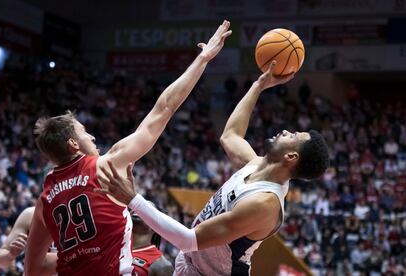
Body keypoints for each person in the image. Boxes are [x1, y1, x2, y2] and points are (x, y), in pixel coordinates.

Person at [24, 20, 232, 276]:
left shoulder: (45, 201)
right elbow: (164, 108)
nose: (92, 137)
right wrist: (203, 59)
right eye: (85, 132)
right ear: (73, 144)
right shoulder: (106, 167)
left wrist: (76, 256)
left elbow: (32, 269)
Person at [97, 61, 330, 276]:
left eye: (294, 135)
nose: (286, 131)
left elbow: (189, 239)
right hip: (191, 263)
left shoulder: (264, 204)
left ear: (291, 156)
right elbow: (230, 135)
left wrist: (133, 199)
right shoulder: (257, 164)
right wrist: (258, 86)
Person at [131, 205, 173, 276]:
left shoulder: (161, 265)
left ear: (157, 226)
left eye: (147, 209)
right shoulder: (113, 246)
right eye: (137, 206)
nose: (139, 209)